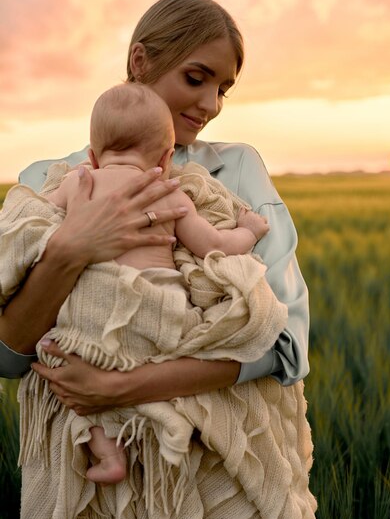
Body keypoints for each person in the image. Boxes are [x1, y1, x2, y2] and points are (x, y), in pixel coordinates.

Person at [0, 0, 328, 519]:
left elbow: (285, 344)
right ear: (139, 60)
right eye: (197, 78)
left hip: (207, 466)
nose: (210, 105)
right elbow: (6, 352)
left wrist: (120, 386)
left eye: (224, 88)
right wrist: (74, 249)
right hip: (89, 499)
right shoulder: (44, 181)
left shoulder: (236, 169)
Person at [43, 80, 270, 485]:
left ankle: (106, 450)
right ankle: (173, 422)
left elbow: (39, 224)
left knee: (61, 360)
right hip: (161, 312)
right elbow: (214, 246)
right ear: (166, 158)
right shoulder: (170, 192)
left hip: (93, 313)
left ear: (93, 156)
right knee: (159, 367)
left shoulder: (79, 181)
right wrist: (250, 231)